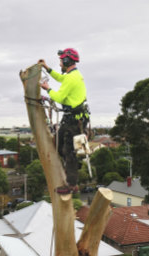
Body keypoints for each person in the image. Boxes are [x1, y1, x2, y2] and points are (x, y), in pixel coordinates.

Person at [38, 48, 89, 194]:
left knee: (69, 151)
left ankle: (71, 184)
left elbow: (59, 97)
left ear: (66, 61)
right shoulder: (71, 75)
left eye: (61, 61)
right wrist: (47, 68)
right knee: (59, 145)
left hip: (75, 121)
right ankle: (69, 170)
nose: (60, 63)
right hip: (71, 118)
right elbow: (61, 79)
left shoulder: (72, 78)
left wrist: (47, 89)